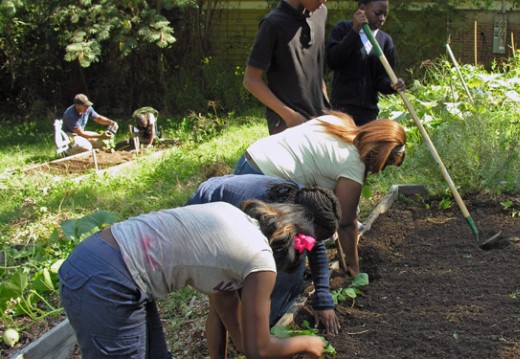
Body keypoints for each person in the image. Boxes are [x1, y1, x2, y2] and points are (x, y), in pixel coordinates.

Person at [58, 200, 337, 358]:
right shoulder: (261, 262)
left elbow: (229, 310)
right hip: (107, 280)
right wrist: (307, 343)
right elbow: (258, 349)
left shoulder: (235, 223)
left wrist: (244, 345)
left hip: (104, 261)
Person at [233, 111, 406, 277]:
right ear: (381, 155)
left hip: (250, 160)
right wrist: (354, 265)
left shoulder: (338, 122)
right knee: (280, 252)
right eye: (387, 163)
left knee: (247, 242)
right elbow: (345, 223)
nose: (382, 169)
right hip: (266, 181)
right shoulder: (353, 164)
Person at [184, 174, 341, 337]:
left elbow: (315, 246)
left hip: (236, 211)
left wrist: (323, 298)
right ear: (303, 222)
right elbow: (247, 268)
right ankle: (244, 334)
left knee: (287, 268)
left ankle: (267, 323)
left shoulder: (311, 203)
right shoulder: (258, 213)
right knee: (223, 299)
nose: (312, 242)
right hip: (206, 216)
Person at [243, 0, 330, 135]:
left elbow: (316, 71)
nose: (324, 0)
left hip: (319, 120)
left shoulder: (321, 13)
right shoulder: (272, 24)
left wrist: (327, 108)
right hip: (287, 126)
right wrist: (289, 116)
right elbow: (251, 80)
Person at [326, 0, 405, 126]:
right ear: (362, 8)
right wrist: (354, 32)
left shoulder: (385, 41)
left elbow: (381, 80)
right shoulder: (342, 29)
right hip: (341, 111)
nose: (382, 18)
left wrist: (392, 85)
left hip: (368, 114)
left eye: (385, 14)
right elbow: (333, 61)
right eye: (378, 13)